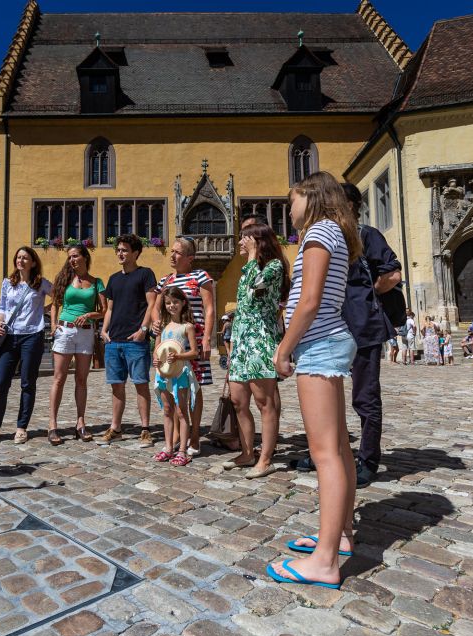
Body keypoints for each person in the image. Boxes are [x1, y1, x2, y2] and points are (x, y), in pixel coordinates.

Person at [268, 171, 361, 589]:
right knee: (338, 448)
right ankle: (339, 536)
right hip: (327, 342)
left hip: (318, 344)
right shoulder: (333, 231)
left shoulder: (320, 231)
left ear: (313, 196)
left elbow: (309, 300)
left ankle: (324, 563)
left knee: (325, 455)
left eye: (293, 200)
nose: (289, 209)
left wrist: (284, 347)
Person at [306, 182, 401, 489]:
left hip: (362, 326)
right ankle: (329, 452)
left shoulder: (366, 235)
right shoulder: (328, 236)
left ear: (348, 205)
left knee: (364, 396)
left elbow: (393, 273)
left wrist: (365, 297)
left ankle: (369, 459)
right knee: (327, 395)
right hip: (330, 327)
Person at [226, 223, 289, 479]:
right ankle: (247, 452)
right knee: (238, 401)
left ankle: (265, 459)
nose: (240, 243)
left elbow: (253, 297)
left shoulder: (273, 267)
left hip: (260, 341)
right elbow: (243, 299)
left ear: (257, 242)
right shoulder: (248, 270)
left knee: (265, 403)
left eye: (245, 239)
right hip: (242, 342)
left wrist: (252, 258)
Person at [0, 247, 52, 445]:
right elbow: (2, 309)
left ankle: (21, 428)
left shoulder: (41, 283)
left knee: (27, 383)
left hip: (32, 336)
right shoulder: (8, 283)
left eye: (25, 258)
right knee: (0, 382)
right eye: (18, 257)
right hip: (9, 337)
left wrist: (45, 311)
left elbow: (60, 296)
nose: (21, 261)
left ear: (33, 262)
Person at [149, 237, 215, 455]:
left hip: (192, 341)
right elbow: (156, 308)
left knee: (193, 388)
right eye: (171, 251)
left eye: (177, 252)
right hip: (170, 344)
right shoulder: (165, 281)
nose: (172, 255)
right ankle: (177, 435)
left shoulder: (200, 277)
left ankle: (195, 436)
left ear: (189, 258)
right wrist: (156, 321)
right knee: (172, 389)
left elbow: (209, 309)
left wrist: (206, 337)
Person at [100, 234, 157, 447]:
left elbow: (152, 305)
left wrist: (143, 329)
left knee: (141, 385)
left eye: (124, 250)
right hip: (113, 341)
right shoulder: (113, 279)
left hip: (135, 341)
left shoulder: (145, 274)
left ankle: (145, 429)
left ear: (135, 253)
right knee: (117, 386)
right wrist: (104, 331)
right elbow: (110, 309)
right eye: (118, 250)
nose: (120, 253)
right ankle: (116, 429)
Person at [48, 245, 105, 445]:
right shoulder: (63, 279)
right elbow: (54, 304)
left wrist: (90, 315)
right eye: (69, 257)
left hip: (86, 333)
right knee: (59, 378)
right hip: (65, 331)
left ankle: (80, 422)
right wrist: (54, 325)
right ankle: (52, 425)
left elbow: (104, 311)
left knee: (81, 380)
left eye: (75, 256)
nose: (72, 260)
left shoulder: (97, 282)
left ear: (85, 257)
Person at [151, 287, 200, 467]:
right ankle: (168, 447)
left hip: (180, 372)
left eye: (175, 302)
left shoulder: (187, 327)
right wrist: (156, 359)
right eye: (168, 303)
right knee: (167, 410)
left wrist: (179, 356)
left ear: (183, 303)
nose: (172, 306)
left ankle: (182, 451)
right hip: (163, 373)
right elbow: (157, 349)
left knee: (181, 411)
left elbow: (194, 352)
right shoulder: (163, 326)